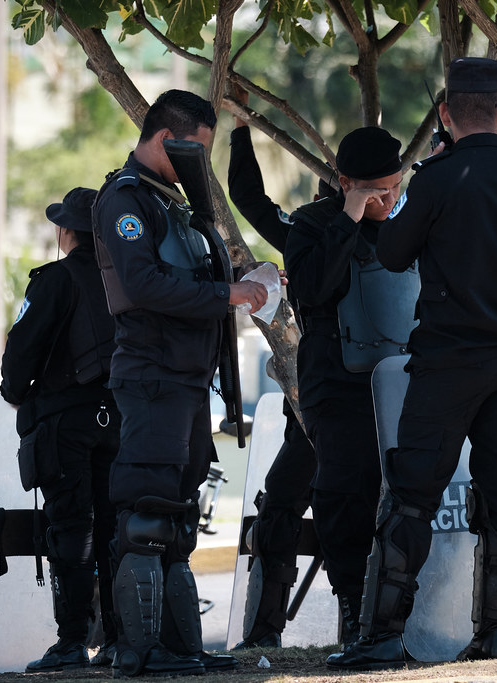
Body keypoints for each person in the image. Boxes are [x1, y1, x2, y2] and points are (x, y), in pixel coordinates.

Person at [327, 57, 497, 669]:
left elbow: (390, 253)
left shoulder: (435, 180)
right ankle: (495, 632)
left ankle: (384, 636)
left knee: (411, 495)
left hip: (447, 364)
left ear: (444, 114)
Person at [92, 89, 265, 676]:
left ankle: (179, 650)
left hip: (187, 384)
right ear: (166, 139)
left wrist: (247, 279)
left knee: (177, 519)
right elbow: (143, 286)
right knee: (145, 515)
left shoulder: (174, 204)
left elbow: (195, 271)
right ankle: (137, 653)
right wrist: (229, 295)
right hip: (151, 379)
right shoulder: (126, 200)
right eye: (195, 149)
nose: (200, 162)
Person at [283, 126, 410, 648]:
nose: (389, 200)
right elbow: (313, 288)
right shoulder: (312, 224)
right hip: (337, 382)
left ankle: (398, 611)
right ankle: (353, 606)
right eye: (376, 191)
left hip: (400, 378)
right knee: (343, 492)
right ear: (345, 183)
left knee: (409, 492)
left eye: (395, 188)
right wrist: (349, 219)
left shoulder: (408, 223)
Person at [0, 187, 121, 672]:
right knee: (113, 530)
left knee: (70, 531)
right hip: (118, 420)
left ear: (67, 231)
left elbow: (20, 353)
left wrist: (13, 393)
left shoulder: (54, 279)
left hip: (64, 424)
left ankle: (71, 642)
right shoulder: (126, 277)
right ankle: (117, 639)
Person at [226, 95, 319, 649]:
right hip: (332, 405)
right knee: (285, 508)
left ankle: (267, 635)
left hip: (326, 405)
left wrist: (242, 130)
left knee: (284, 510)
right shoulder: (403, 235)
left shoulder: (310, 232)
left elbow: (246, 198)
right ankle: (268, 634)